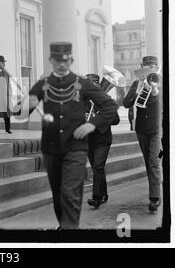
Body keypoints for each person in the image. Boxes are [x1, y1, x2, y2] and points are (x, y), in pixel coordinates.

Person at [26, 42, 118, 229]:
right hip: (51, 148)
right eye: (57, 60)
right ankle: (65, 226)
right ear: (51, 60)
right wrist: (25, 104)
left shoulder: (82, 83)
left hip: (76, 147)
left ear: (71, 60)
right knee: (59, 194)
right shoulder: (42, 84)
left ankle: (69, 232)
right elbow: (18, 113)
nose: (61, 64)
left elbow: (110, 106)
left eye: (66, 60)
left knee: (71, 193)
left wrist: (92, 124)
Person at [123, 55, 162, 211]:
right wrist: (137, 89)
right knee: (149, 162)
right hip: (142, 128)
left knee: (153, 161)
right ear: (142, 67)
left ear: (156, 67)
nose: (149, 69)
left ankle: (155, 197)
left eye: (151, 67)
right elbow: (126, 103)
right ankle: (155, 188)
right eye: (146, 67)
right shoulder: (136, 83)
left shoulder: (162, 81)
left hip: (156, 128)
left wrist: (155, 90)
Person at [85, 73, 120, 209]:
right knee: (97, 168)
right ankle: (104, 194)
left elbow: (116, 120)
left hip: (103, 139)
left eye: (94, 83)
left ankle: (97, 198)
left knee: (98, 166)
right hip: (88, 139)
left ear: (98, 84)